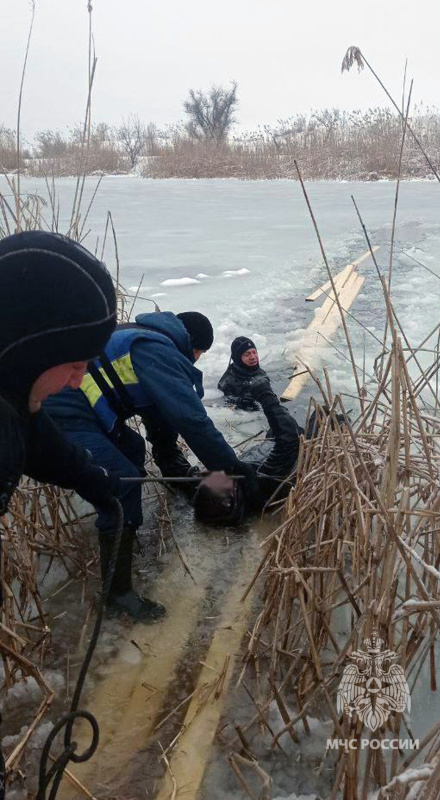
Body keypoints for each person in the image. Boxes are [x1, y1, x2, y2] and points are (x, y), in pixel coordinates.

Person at [44, 310, 257, 619]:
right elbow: (190, 420)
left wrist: (174, 464)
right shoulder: (156, 350)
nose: (195, 362)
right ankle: (117, 596)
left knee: (131, 446)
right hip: (63, 410)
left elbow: (161, 415)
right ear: (193, 346)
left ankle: (122, 527)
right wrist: (232, 467)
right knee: (123, 483)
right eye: (198, 355)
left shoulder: (145, 338)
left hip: (83, 406)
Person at [0, 230, 122, 599]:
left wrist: (88, 476)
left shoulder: (13, 388)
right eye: (73, 363)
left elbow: (33, 430)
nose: (77, 381)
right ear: (29, 353)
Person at [194, 376, 302, 524]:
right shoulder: (261, 482)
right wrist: (266, 396)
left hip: (270, 446)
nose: (223, 476)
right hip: (293, 451)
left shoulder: (237, 479)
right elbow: (289, 439)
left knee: (280, 430)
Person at [218, 336, 269, 411]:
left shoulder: (261, 373)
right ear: (237, 358)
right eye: (247, 354)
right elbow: (223, 400)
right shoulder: (228, 382)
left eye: (254, 352)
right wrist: (239, 400)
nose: (253, 357)